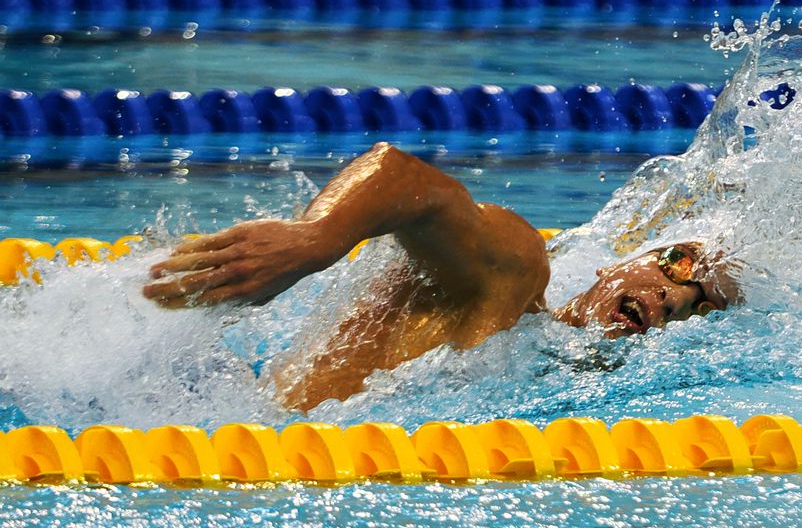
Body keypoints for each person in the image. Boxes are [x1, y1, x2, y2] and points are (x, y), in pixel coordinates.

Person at [143, 142, 738, 411]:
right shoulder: (515, 271)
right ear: (617, 262)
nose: (673, 295)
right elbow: (402, 176)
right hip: (230, 436)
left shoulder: (568, 391)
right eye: (680, 264)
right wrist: (315, 240)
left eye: (696, 305)